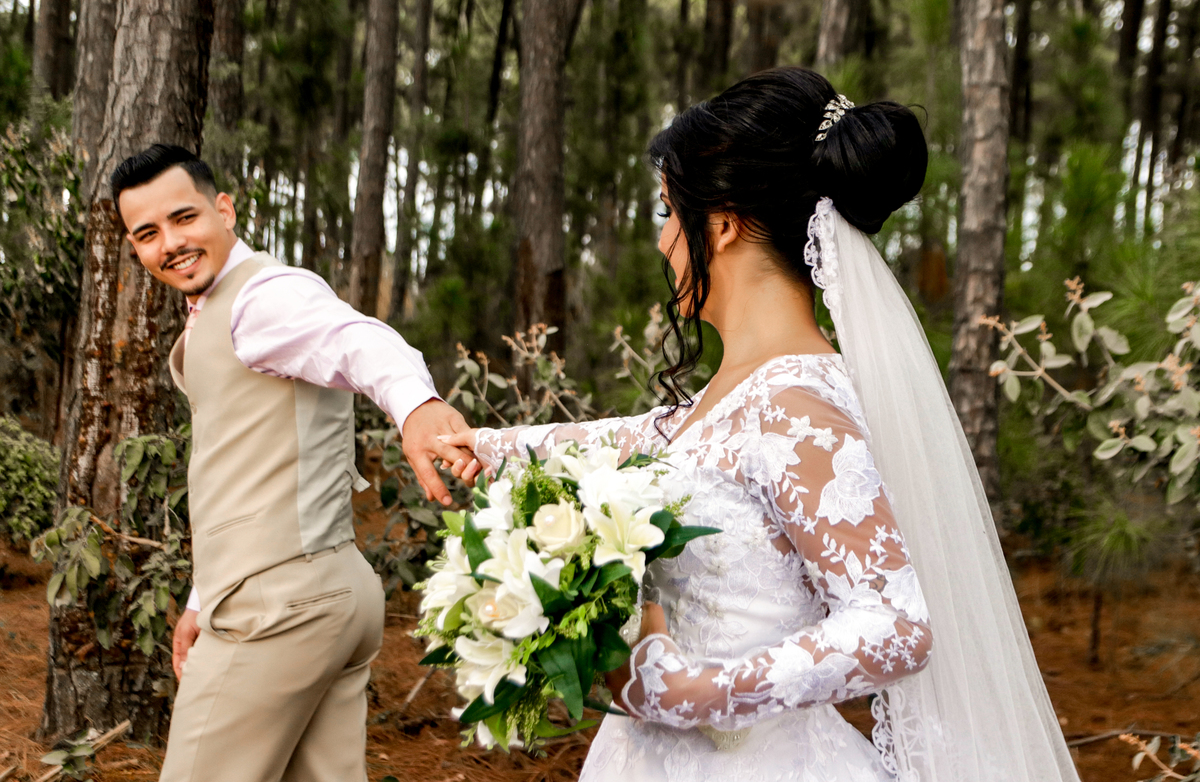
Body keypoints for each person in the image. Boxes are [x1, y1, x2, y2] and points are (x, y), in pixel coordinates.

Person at [441, 68, 1081, 781]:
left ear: (719, 220)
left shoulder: (796, 404)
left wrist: (687, 692)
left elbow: (897, 627)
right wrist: (482, 448)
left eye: (666, 211)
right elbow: (640, 437)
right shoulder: (741, 391)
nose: (662, 242)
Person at [112, 144, 480, 782]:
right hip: (328, 593)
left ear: (224, 210)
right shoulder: (222, 308)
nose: (169, 243)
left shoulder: (263, 297)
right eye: (147, 234)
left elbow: (356, 339)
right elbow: (242, 467)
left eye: (184, 218)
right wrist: (204, 596)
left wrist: (416, 405)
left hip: (278, 607)